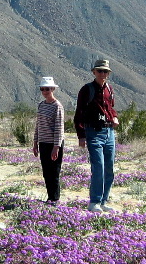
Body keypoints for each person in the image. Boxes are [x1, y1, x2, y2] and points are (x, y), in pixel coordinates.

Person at [73, 59, 119, 213]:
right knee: (98, 166)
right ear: (94, 72)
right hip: (93, 131)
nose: (103, 74)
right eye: (100, 71)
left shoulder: (109, 90)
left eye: (105, 71)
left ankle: (104, 200)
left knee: (109, 168)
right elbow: (79, 113)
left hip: (109, 132)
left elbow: (111, 108)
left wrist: (115, 117)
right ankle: (94, 202)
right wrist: (81, 135)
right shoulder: (87, 89)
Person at [32, 76, 65, 205]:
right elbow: (38, 126)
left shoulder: (57, 106)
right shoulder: (41, 105)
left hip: (53, 144)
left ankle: (55, 198)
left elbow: (59, 128)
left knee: (54, 171)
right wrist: (35, 142)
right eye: (42, 89)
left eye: (47, 89)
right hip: (43, 143)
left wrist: (56, 147)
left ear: (52, 89)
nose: (44, 91)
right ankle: (50, 197)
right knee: (46, 172)